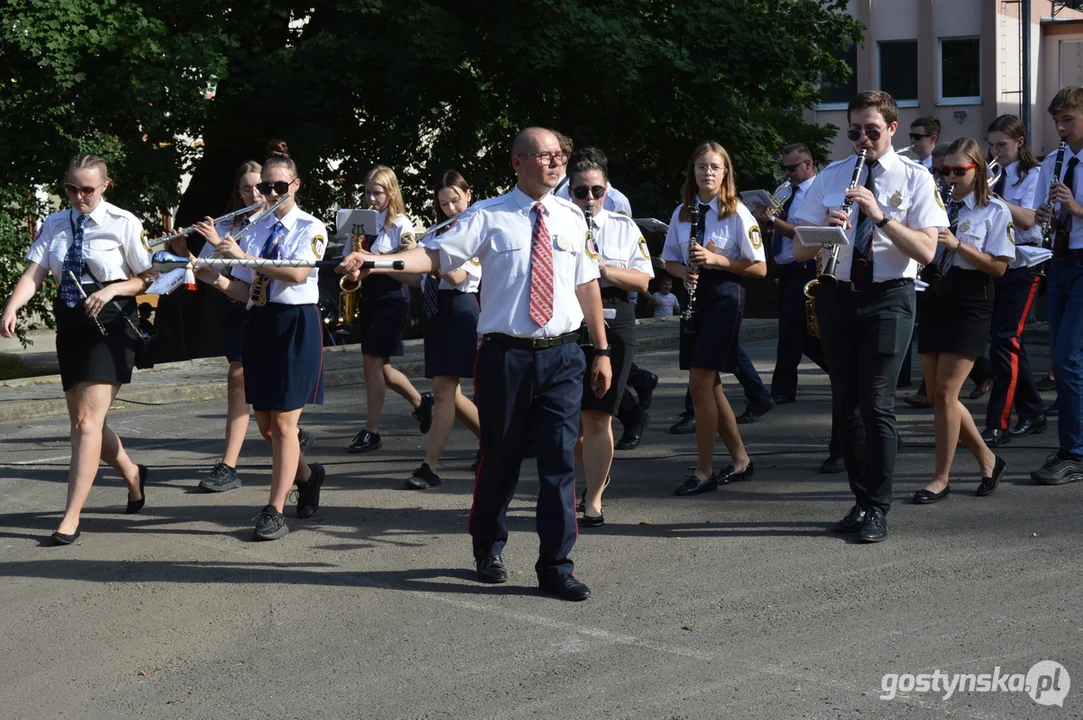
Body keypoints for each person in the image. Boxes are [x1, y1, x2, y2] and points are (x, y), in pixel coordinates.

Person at [338, 127, 612, 601]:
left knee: (558, 463)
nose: (555, 163)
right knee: (500, 459)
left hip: (563, 355)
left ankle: (556, 566)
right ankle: (488, 545)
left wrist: (601, 350)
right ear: (517, 163)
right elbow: (434, 254)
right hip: (506, 355)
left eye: (558, 155)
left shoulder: (570, 216)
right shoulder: (488, 215)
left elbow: (586, 283)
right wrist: (378, 262)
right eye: (543, 156)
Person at [793, 90, 947, 543]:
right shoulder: (833, 176)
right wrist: (829, 230)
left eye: (872, 131)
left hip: (889, 296)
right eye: (854, 130)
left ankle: (879, 507)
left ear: (892, 130)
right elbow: (800, 248)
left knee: (877, 402)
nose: (862, 139)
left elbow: (927, 250)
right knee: (846, 404)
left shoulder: (915, 177)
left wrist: (879, 217)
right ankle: (860, 502)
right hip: (838, 294)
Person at [1, 154, 152, 545]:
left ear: (105, 185)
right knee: (90, 424)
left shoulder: (123, 222)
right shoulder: (54, 224)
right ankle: (133, 474)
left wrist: (113, 288)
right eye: (71, 188)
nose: (79, 196)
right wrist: (12, 306)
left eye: (87, 189)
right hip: (71, 326)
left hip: (113, 325)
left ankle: (71, 517)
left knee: (85, 424)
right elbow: (34, 273)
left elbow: (148, 278)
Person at [202, 140, 326, 540]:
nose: (270, 194)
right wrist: (215, 277)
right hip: (261, 323)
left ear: (295, 185)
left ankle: (274, 508)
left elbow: (296, 275)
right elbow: (246, 289)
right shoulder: (256, 230)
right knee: (268, 426)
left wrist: (242, 257)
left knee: (287, 425)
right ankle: (308, 476)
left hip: (295, 324)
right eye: (266, 187)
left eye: (278, 187)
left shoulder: (311, 227)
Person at [912, 138, 1013, 503]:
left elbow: (1000, 267)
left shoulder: (994, 210)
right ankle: (987, 458)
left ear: (977, 170)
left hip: (972, 300)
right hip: (935, 296)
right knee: (941, 398)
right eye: (943, 170)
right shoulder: (935, 206)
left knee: (944, 394)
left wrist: (959, 245)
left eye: (958, 170)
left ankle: (941, 477)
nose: (949, 177)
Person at [663, 141, 766, 496]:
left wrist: (716, 260)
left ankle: (703, 469)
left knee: (699, 383)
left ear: (725, 173)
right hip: (695, 296)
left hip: (725, 295)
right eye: (701, 167)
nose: (707, 172)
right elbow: (669, 261)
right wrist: (683, 272)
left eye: (714, 167)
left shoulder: (736, 212)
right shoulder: (682, 212)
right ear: (693, 172)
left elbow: (760, 268)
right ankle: (740, 461)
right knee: (710, 385)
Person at [567, 147, 654, 526]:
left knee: (598, 415)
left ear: (607, 189)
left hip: (615, 312)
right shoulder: (557, 222)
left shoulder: (623, 226)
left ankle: (594, 498)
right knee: (568, 417)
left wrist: (605, 269)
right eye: (581, 191)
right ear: (568, 190)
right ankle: (590, 475)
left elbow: (644, 280)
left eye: (596, 191)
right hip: (568, 316)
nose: (589, 199)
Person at [753, 143, 845, 472]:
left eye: (792, 169)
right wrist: (764, 220)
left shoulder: (814, 191)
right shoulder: (785, 190)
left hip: (806, 268)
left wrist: (774, 222)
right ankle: (837, 371)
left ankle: (782, 389)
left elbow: (806, 233)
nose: (787, 174)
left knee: (793, 330)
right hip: (787, 269)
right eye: (785, 169)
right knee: (799, 331)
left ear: (808, 165)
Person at [346, 165, 433, 454]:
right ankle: (421, 403)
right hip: (367, 295)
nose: (371, 198)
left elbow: (410, 262)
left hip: (391, 297)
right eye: (367, 192)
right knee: (380, 367)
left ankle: (371, 430)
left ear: (391, 193)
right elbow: (352, 257)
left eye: (377, 193)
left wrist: (374, 260)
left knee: (372, 363)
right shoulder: (359, 221)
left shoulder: (401, 224)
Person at [405, 170, 482, 489]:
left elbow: (460, 277)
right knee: (451, 392)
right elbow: (420, 281)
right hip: (436, 314)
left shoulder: (476, 230)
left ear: (468, 195)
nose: (450, 208)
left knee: (442, 392)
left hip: (460, 312)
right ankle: (500, 443)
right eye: (443, 203)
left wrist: (433, 257)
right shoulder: (438, 234)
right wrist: (385, 265)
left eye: (455, 200)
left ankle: (429, 465)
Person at [979, 115, 1047, 447]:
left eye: (1001, 145)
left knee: (1005, 341)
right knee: (1007, 341)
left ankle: (999, 422)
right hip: (1000, 262)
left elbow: (1029, 219)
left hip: (1026, 264)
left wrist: (993, 199)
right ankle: (1033, 412)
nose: (996, 151)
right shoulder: (998, 175)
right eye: (991, 145)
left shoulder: (1033, 174)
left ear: (1019, 142)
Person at [1030, 86, 1083, 486]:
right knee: (1066, 359)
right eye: (1057, 121)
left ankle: (1075, 452)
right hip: (1060, 261)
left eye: (1069, 119)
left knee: (1067, 359)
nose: (1062, 128)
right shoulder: (1052, 161)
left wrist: (1076, 207)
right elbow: (1035, 216)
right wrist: (1046, 212)